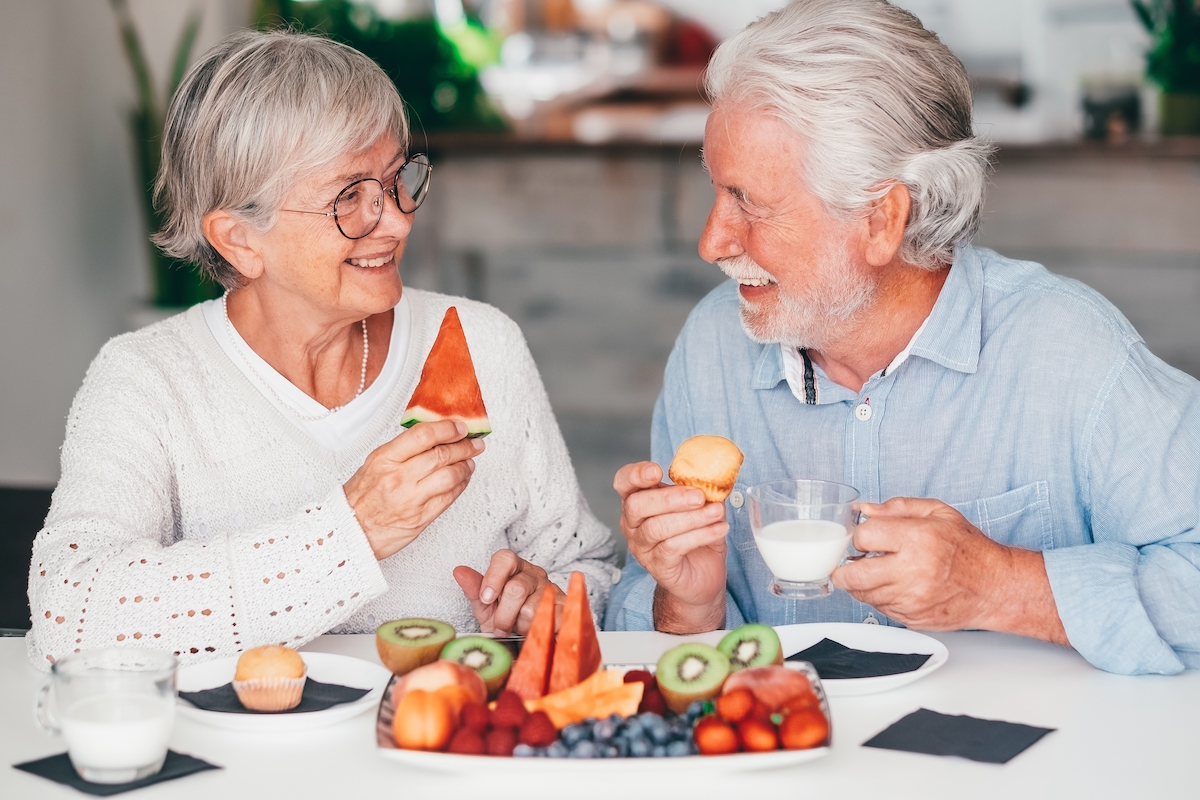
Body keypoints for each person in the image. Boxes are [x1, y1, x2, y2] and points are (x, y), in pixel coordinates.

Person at [605, 0, 1200, 676]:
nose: (712, 241)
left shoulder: (1067, 351)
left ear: (883, 219)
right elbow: (660, 640)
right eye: (716, 191)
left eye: (751, 202)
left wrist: (1004, 585)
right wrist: (688, 607)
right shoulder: (714, 346)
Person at [27, 30, 614, 668]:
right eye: (347, 199)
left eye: (397, 180)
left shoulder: (481, 340)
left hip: (444, 747)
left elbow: (590, 571)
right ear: (239, 239)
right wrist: (350, 534)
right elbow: (69, 610)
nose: (396, 219)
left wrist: (542, 600)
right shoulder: (146, 379)